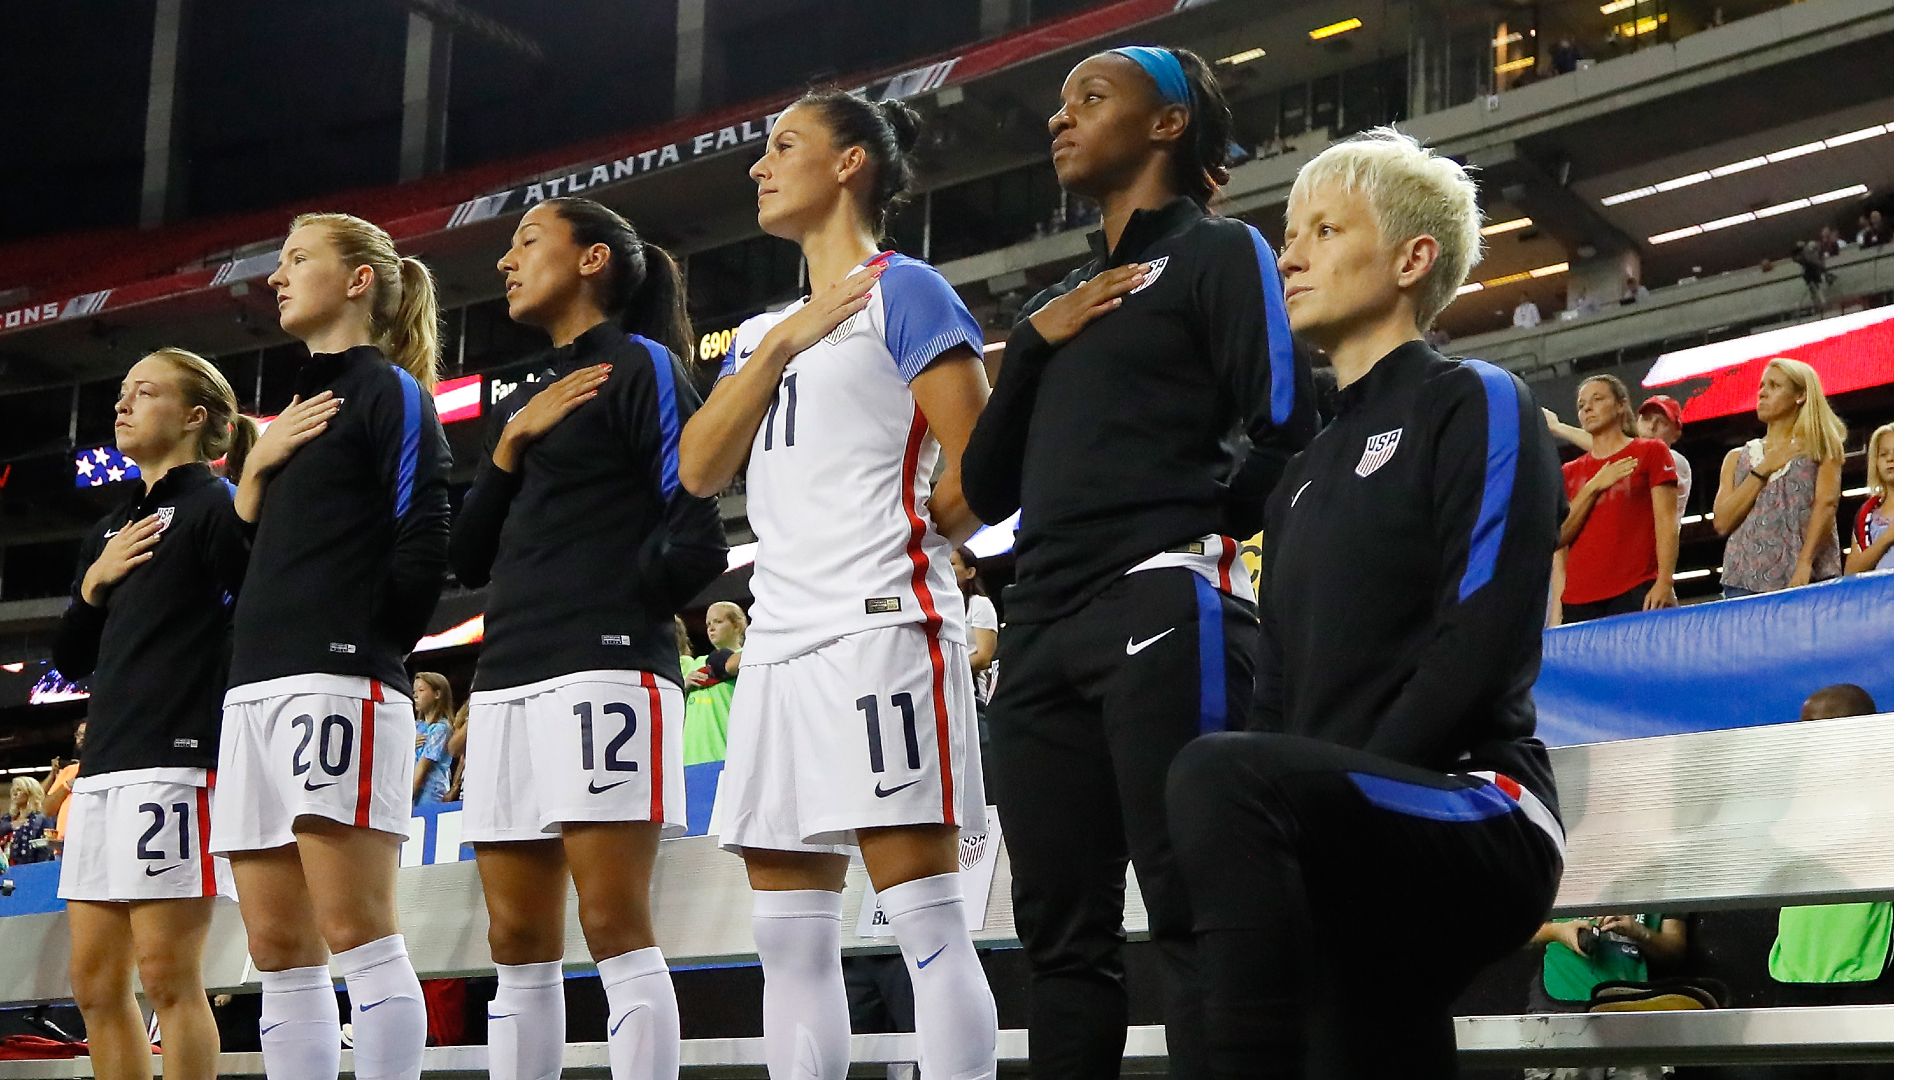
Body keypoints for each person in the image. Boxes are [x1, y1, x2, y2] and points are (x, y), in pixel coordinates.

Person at [1164, 126, 1566, 1078]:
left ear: (1410, 258)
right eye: (1287, 233)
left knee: (1219, 777)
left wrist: (1311, 812)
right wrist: (1308, 810)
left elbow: (1480, 645)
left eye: (1323, 230)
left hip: (1477, 802)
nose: (1289, 255)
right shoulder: (1299, 475)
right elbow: (1279, 699)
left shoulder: (1477, 399)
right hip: (1337, 828)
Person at [957, 45, 1317, 1079]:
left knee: (1195, 912)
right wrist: (1028, 344)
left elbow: (1288, 422)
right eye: (1060, 103)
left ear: (1166, 124)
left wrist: (1196, 523)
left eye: (1092, 97)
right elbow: (986, 490)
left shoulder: (1217, 252)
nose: (1060, 119)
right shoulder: (1065, 297)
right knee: (1060, 944)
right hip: (1038, 645)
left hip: (1164, 603)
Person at [681, 86, 997, 1080]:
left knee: (928, 924)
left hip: (880, 626)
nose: (759, 166)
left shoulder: (906, 290)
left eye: (785, 145)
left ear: (851, 162)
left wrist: (905, 542)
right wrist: (782, 340)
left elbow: (983, 467)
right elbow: (697, 470)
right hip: (776, 646)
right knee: (787, 942)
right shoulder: (755, 334)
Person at [448, 195, 728, 1080]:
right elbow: (466, 556)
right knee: (515, 939)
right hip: (505, 680)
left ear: (594, 259)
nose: (506, 261)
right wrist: (509, 444)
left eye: (528, 241)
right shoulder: (529, 399)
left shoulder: (643, 364)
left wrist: (616, 608)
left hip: (605, 673)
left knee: (612, 924)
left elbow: (697, 534)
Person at [211, 211, 452, 1080]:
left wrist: (362, 646)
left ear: (358, 280)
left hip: (337, 686)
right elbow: (246, 571)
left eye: (298, 258)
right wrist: (252, 474)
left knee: (356, 933)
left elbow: (425, 537)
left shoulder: (390, 391)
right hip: (253, 693)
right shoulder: (287, 422)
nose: (277, 276)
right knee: (276, 950)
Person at [45, 347, 255, 1080]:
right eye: (121, 393)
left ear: (196, 418)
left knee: (169, 980)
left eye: (145, 392)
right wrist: (94, 586)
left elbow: (251, 620)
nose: (121, 405)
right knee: (96, 986)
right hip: (104, 767)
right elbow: (71, 658)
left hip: (176, 764)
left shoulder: (215, 508)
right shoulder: (107, 529)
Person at [1713, 358, 1845, 596]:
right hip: (1741, 583)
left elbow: (1826, 505)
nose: (1762, 393)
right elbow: (1722, 522)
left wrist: (1805, 562)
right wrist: (1764, 468)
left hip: (1806, 578)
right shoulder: (1736, 458)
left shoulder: (1822, 448)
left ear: (1801, 395)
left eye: (1774, 386)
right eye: (1762, 386)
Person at [1553, 375, 1679, 621]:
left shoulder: (1650, 451)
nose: (1587, 407)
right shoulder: (1568, 472)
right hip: (1578, 600)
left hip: (1635, 589)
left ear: (1621, 405)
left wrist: (1664, 581)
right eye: (1581, 404)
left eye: (1597, 399)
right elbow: (1559, 537)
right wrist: (1593, 487)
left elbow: (1667, 521)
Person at [1524, 914, 1687, 1080]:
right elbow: (1515, 930)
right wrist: (1557, 931)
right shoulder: (1561, 887)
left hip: (1631, 1014)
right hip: (1561, 1005)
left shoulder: (1662, 887)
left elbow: (1674, 950)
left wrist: (1641, 933)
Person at [1544, 393, 1692, 514]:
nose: (1651, 426)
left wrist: (1558, 427)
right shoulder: (1624, 460)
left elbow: (1614, 449)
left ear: (1676, 434)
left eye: (1662, 422)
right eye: (1646, 419)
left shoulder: (1677, 461)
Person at [683, 602, 747, 766]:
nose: (711, 628)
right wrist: (684, 684)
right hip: (690, 757)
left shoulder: (748, 659)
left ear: (737, 626)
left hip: (726, 753)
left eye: (718, 622)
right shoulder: (695, 663)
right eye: (708, 624)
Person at [1846, 422, 1893, 573]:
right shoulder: (1867, 516)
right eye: (1883, 454)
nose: (1890, 459)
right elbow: (1850, 573)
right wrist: (1887, 538)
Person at [410, 673, 456, 810]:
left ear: (437, 694)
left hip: (429, 796)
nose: (416, 696)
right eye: (414, 692)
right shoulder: (416, 726)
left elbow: (423, 767)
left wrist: (405, 799)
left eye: (421, 690)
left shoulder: (441, 728)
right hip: (411, 792)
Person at [42, 720, 85, 853]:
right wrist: (69, 784)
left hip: (92, 846)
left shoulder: (107, 768)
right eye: (79, 734)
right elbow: (47, 809)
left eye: (86, 734)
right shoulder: (68, 771)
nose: (82, 737)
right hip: (63, 848)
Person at [4, 779, 56, 866]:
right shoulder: (7, 818)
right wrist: (10, 826)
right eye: (13, 791)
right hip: (5, 870)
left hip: (30, 869)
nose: (14, 794)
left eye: (19, 790)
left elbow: (45, 848)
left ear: (30, 793)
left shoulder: (41, 819)